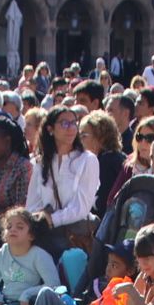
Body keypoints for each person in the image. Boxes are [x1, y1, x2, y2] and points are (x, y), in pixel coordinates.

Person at [24, 106, 99, 254]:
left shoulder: (87, 160)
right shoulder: (39, 162)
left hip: (74, 236)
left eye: (73, 123)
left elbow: (81, 207)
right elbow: (32, 204)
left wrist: (52, 220)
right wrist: (37, 219)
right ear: (50, 129)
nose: (70, 128)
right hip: (45, 232)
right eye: (64, 123)